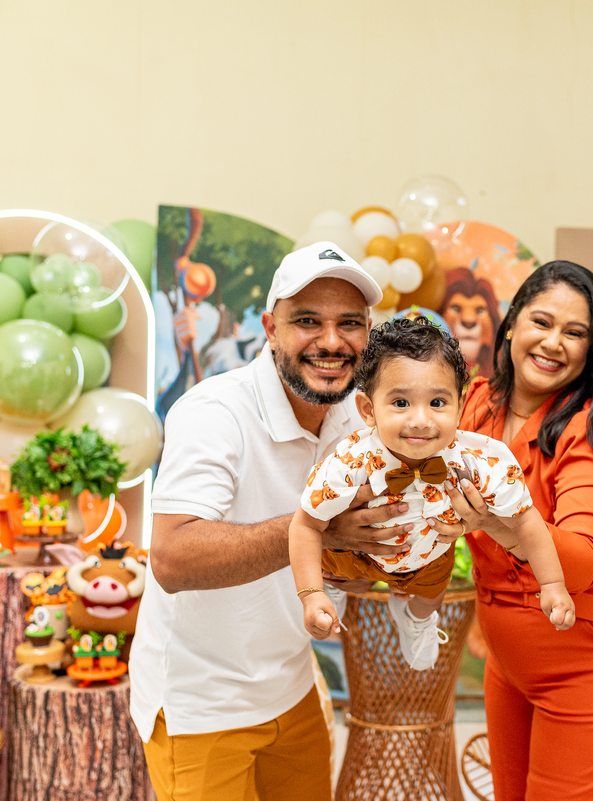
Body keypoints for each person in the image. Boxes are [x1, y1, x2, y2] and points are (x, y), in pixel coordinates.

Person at [131, 242, 417, 801]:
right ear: (270, 327)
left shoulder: (356, 419)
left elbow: (345, 568)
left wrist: (378, 557)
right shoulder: (215, 413)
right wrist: (321, 528)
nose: (332, 342)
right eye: (307, 321)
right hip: (202, 703)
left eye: (350, 324)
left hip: (292, 687)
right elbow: (171, 558)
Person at [430, 260, 593, 800]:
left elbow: (577, 563)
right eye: (541, 321)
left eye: (574, 332)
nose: (553, 341)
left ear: (592, 348)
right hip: (509, 665)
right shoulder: (476, 403)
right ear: (512, 324)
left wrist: (495, 516)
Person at [288, 319, 575, 670]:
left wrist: (552, 583)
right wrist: (311, 592)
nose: (421, 420)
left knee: (431, 594)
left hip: (427, 556)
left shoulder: (477, 458)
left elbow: (526, 518)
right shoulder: (352, 460)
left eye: (438, 401)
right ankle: (331, 590)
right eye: (400, 403)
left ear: (461, 402)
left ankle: (416, 620)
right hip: (355, 553)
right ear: (368, 410)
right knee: (330, 563)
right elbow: (305, 525)